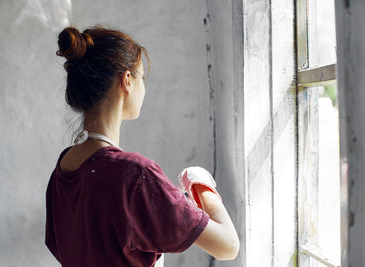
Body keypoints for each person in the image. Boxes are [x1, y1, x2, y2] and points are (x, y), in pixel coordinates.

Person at [45, 25, 239, 267]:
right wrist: (202, 187)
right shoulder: (133, 175)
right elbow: (228, 245)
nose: (144, 87)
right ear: (127, 80)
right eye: (142, 76)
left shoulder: (63, 170)